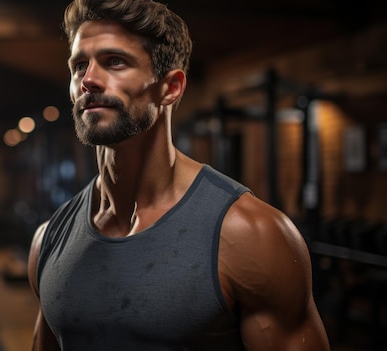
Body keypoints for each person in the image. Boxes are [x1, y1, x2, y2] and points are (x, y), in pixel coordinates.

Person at [27, 0, 331, 350]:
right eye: (80, 65)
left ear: (170, 88)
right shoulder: (48, 240)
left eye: (115, 61)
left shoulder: (251, 236)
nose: (89, 80)